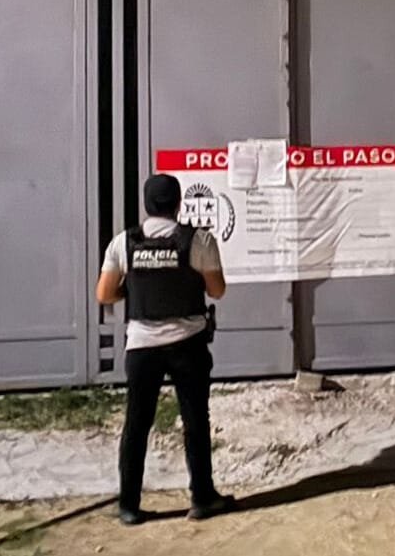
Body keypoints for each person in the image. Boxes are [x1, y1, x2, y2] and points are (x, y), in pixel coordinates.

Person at [95, 174, 237, 525]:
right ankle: (202, 498)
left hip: (142, 346)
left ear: (146, 204)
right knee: (195, 420)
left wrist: (134, 290)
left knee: (137, 423)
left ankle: (129, 505)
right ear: (178, 204)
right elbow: (217, 290)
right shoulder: (199, 240)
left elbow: (105, 294)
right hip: (188, 344)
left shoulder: (123, 242)